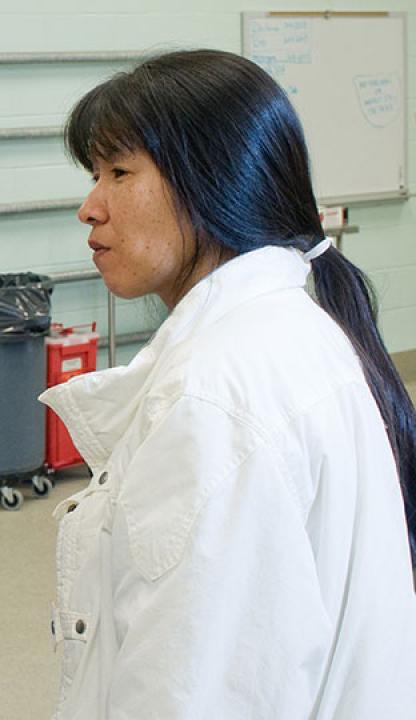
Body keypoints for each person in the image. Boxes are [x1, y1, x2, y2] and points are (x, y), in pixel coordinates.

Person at [42, 49, 416, 719]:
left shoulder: (213, 398)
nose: (90, 207)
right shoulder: (284, 332)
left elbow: (197, 692)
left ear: (212, 182)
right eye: (94, 175)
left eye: (119, 173)